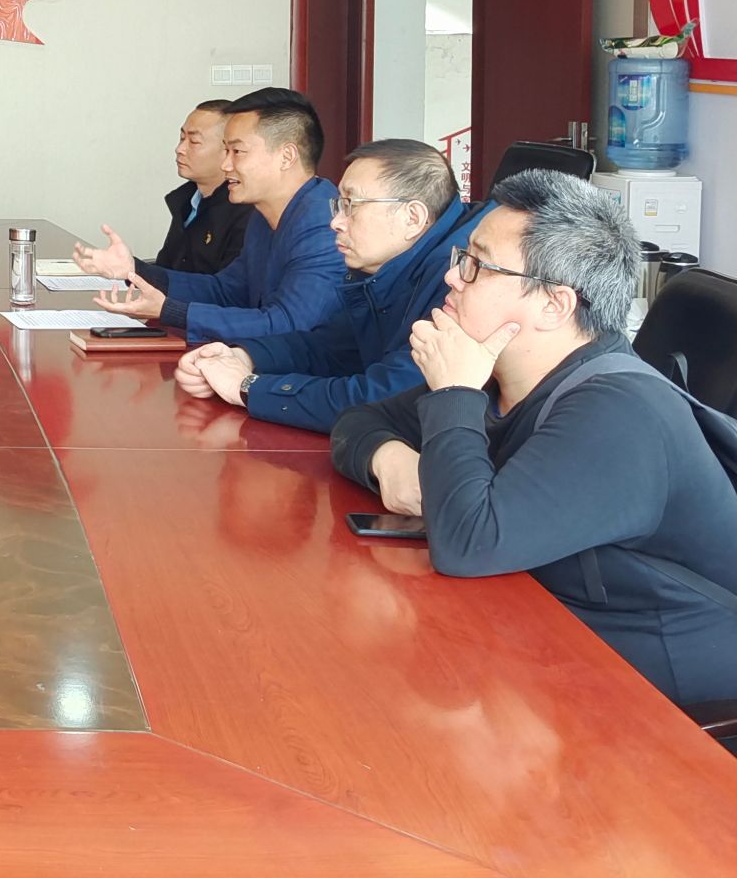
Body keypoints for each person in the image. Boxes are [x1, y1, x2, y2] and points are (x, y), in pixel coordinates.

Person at [330, 170, 737, 706]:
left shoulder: (619, 410)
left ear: (554, 305)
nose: (452, 277)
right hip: (544, 624)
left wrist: (453, 391)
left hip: (653, 679)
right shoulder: (502, 371)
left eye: (477, 265)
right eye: (462, 257)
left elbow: (468, 545)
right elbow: (358, 423)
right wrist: (391, 460)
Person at [174, 139, 488, 432]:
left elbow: (390, 399)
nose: (335, 222)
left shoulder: (461, 278)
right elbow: (333, 347)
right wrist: (246, 356)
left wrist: (248, 387)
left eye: (351, 205)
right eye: (339, 205)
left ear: (413, 217)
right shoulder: (390, 263)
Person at [76, 87, 342, 343]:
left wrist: (171, 311)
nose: (225, 165)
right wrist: (134, 270)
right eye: (226, 151)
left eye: (237, 152)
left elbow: (288, 324)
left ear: (286, 156)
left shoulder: (324, 224)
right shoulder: (264, 215)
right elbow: (225, 290)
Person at [156, 99, 251, 275]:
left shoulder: (245, 211)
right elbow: (166, 269)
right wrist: (129, 270)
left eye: (194, 141)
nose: (179, 149)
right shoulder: (187, 201)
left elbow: (225, 287)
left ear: (229, 150)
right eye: (182, 138)